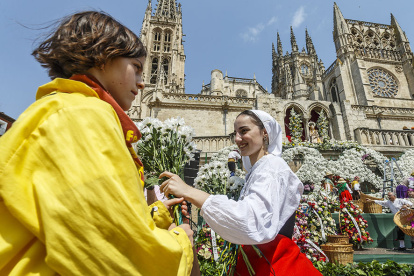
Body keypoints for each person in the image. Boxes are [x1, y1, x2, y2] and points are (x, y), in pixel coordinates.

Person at [0, 11, 194, 275]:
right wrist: (183, 240)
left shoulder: (65, 108)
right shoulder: (84, 115)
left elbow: (82, 216)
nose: (143, 80)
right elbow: (113, 247)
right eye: (136, 67)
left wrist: (156, 213)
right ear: (104, 57)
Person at [160, 110, 321, 275]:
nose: (237, 139)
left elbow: (250, 220)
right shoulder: (258, 170)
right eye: (235, 133)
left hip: (276, 266)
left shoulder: (273, 167)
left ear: (264, 132)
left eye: (244, 131)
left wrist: (189, 191)